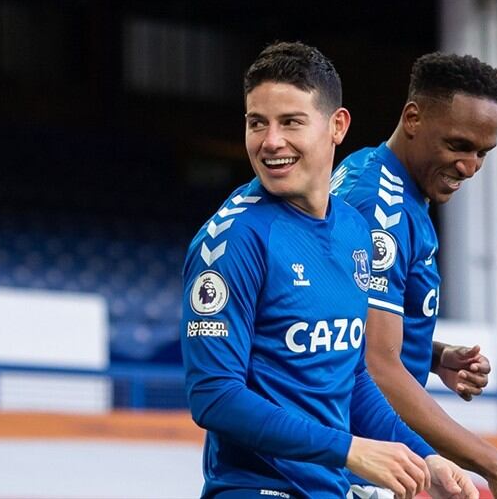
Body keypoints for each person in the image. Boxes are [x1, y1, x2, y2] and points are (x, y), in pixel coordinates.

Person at [181, 42, 479, 499]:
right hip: (258, 489)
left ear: (337, 126)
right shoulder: (231, 240)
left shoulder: (355, 231)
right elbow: (214, 396)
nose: (270, 141)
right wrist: (349, 450)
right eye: (257, 122)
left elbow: (352, 376)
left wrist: (426, 457)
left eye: (291, 122)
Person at [331, 52, 497, 499]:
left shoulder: (378, 176)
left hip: (370, 459)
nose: (470, 167)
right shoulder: (382, 209)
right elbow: (375, 366)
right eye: (458, 145)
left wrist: (431, 354)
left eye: (482, 153)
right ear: (413, 118)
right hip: (354, 466)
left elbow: (346, 324)